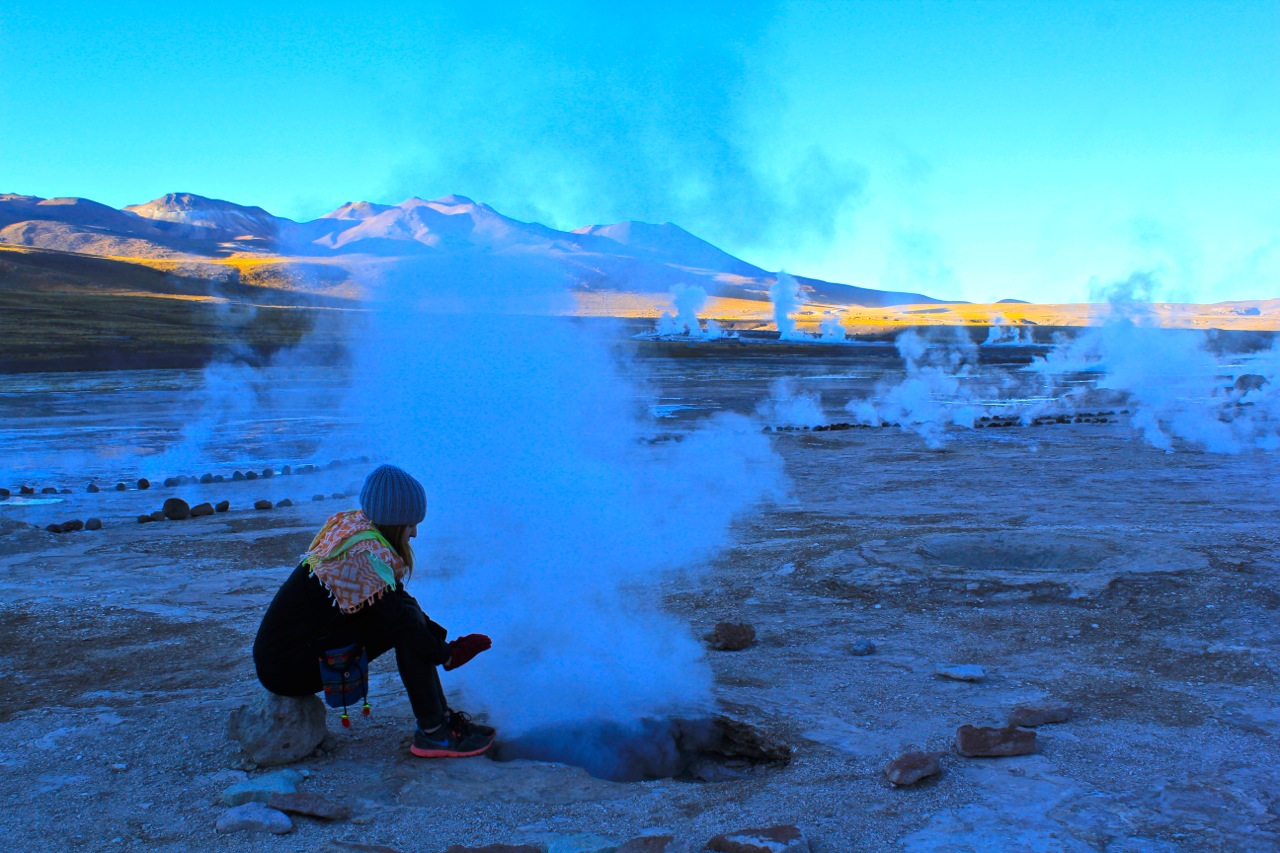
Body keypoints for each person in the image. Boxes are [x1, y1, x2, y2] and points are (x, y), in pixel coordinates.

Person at [252, 463, 495, 757]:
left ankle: (440, 723)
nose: (415, 533)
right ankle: (435, 733)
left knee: (405, 614)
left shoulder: (357, 533)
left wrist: (442, 645)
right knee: (404, 626)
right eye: (410, 525)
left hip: (291, 653)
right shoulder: (360, 554)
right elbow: (400, 618)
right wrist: (444, 654)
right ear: (394, 522)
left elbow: (398, 601)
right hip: (287, 667)